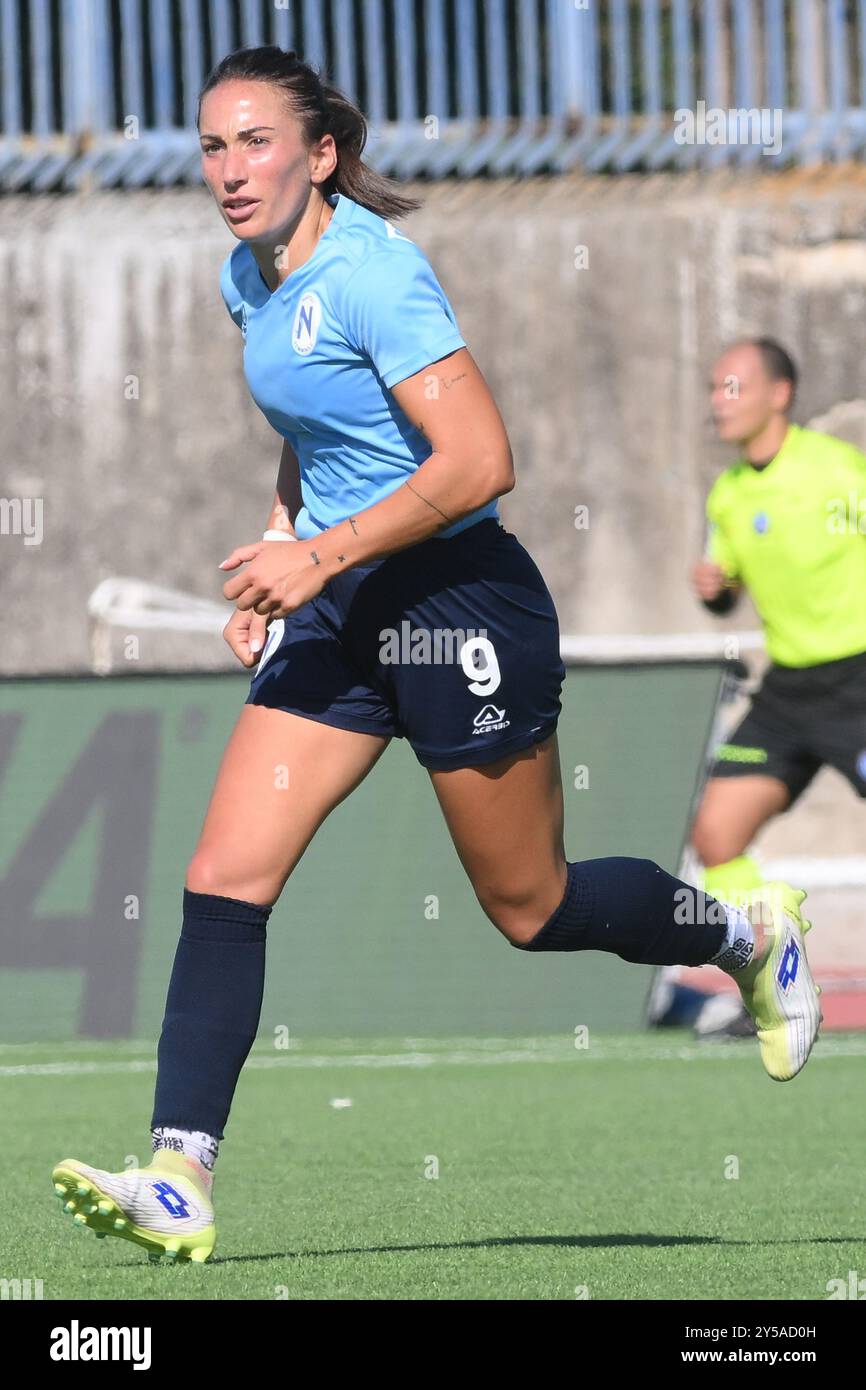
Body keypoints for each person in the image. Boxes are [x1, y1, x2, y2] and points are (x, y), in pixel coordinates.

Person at [50, 52, 820, 1265]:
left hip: (460, 599)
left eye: (255, 143)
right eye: (209, 145)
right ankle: (178, 1169)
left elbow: (478, 461)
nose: (228, 170)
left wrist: (320, 556)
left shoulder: (375, 274)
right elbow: (313, 435)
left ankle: (739, 939)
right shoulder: (245, 278)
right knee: (222, 876)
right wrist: (278, 545)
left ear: (318, 155)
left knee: (531, 906)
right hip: (339, 600)